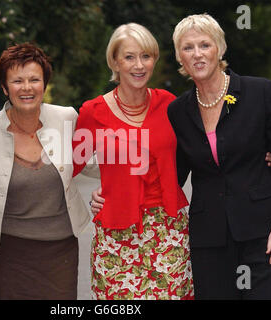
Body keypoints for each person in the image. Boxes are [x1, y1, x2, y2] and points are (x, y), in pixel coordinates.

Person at [166, 14, 271, 299]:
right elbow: (173, 175)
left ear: (220, 49)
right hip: (210, 239)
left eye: (205, 45)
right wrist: (113, 186)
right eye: (188, 48)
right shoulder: (178, 111)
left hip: (264, 234)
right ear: (180, 56)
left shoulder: (259, 92)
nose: (198, 54)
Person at [73, 23, 194, 300]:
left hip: (168, 230)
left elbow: (202, 147)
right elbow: (69, 165)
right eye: (129, 57)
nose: (139, 65)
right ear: (115, 61)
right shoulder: (93, 112)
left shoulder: (170, 105)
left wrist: (263, 156)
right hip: (116, 234)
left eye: (146, 56)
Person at [0, 43, 93, 299]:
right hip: (9, 251)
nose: (27, 87)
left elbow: (96, 163)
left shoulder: (67, 118)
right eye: (17, 81)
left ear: (44, 84)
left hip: (60, 249)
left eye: (34, 79)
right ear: (5, 88)